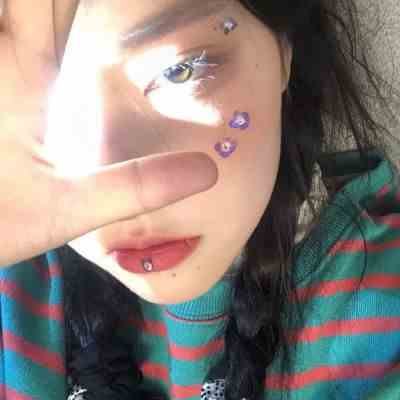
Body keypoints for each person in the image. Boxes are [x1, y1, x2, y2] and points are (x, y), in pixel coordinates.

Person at [0, 0, 400, 399]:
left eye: (179, 70)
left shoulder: (378, 309)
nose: (117, 188)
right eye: (51, 102)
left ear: (283, 48)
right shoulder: (14, 270)